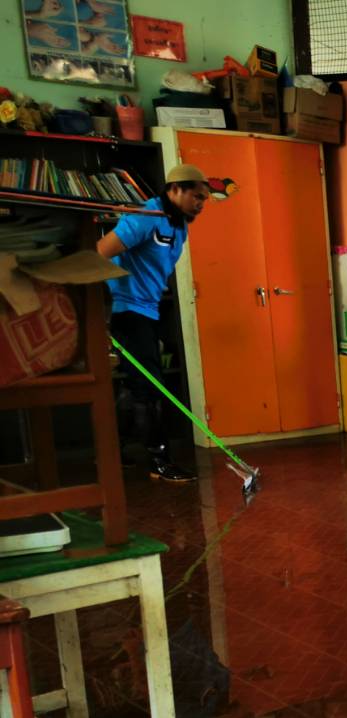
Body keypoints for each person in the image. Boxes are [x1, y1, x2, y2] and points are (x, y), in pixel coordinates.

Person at [98, 162, 212, 483]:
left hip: (149, 309)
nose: (201, 204)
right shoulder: (146, 216)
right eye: (196, 197)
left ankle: (112, 450)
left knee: (136, 384)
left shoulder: (179, 224)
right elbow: (101, 251)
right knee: (150, 386)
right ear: (175, 189)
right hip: (128, 311)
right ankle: (159, 461)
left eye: (204, 199)